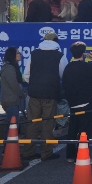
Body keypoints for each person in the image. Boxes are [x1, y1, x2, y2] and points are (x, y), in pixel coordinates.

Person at [22, 31, 65, 161]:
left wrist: (33, 84)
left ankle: (28, 152)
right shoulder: (59, 55)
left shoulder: (34, 53)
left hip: (34, 93)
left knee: (32, 122)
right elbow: (63, 74)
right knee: (48, 123)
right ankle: (46, 153)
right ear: (56, 41)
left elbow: (26, 74)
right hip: (50, 94)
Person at [63, 42, 92, 163]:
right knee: (85, 130)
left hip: (72, 103)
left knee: (73, 129)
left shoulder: (68, 68)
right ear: (83, 53)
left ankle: (70, 155)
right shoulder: (88, 67)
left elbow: (64, 85)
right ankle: (81, 156)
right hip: (85, 102)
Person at [0, 47, 24, 140]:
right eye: (17, 53)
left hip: (12, 99)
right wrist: (21, 93)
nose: (20, 55)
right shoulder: (9, 68)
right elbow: (14, 85)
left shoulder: (13, 67)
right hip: (10, 100)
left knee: (12, 123)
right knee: (12, 124)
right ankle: (8, 145)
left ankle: (8, 144)